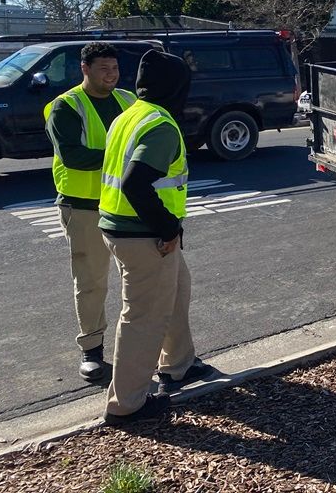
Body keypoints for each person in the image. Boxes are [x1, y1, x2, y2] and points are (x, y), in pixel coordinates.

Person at [99, 49, 214, 425]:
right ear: (176, 88)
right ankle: (126, 405)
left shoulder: (129, 115)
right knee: (143, 317)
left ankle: (178, 365)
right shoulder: (161, 126)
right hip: (146, 234)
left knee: (179, 288)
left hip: (123, 227)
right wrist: (166, 228)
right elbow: (136, 183)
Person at [44, 42, 137, 381]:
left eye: (114, 68)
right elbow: (73, 156)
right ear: (85, 69)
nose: (111, 74)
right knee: (92, 281)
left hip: (126, 203)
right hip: (84, 207)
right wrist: (125, 157)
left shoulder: (128, 100)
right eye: (103, 69)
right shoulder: (66, 106)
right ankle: (91, 350)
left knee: (140, 278)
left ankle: (143, 347)